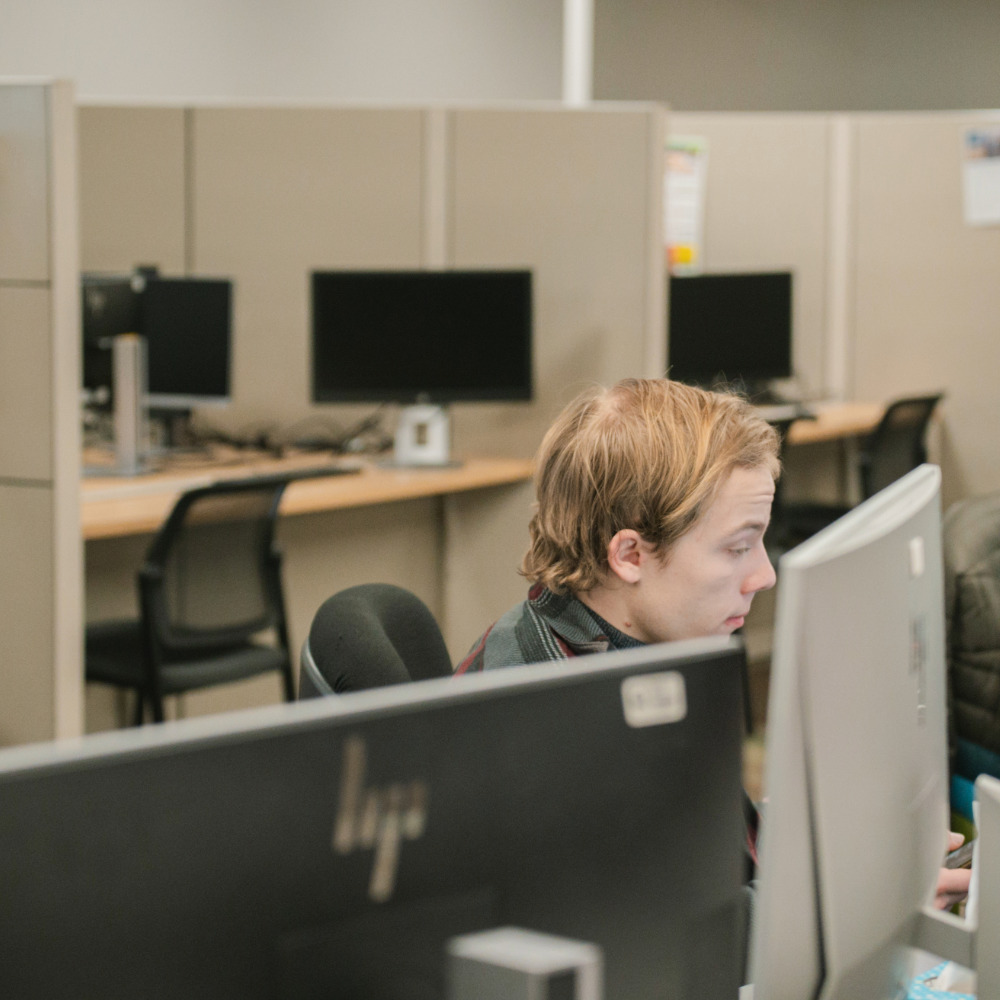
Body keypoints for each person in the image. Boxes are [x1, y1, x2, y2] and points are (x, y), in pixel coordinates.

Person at [455, 376, 971, 911]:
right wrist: (860, 895)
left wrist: (856, 843)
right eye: (738, 547)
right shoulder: (549, 732)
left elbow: (707, 846)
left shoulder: (643, 652)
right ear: (630, 555)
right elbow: (658, 943)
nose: (764, 575)